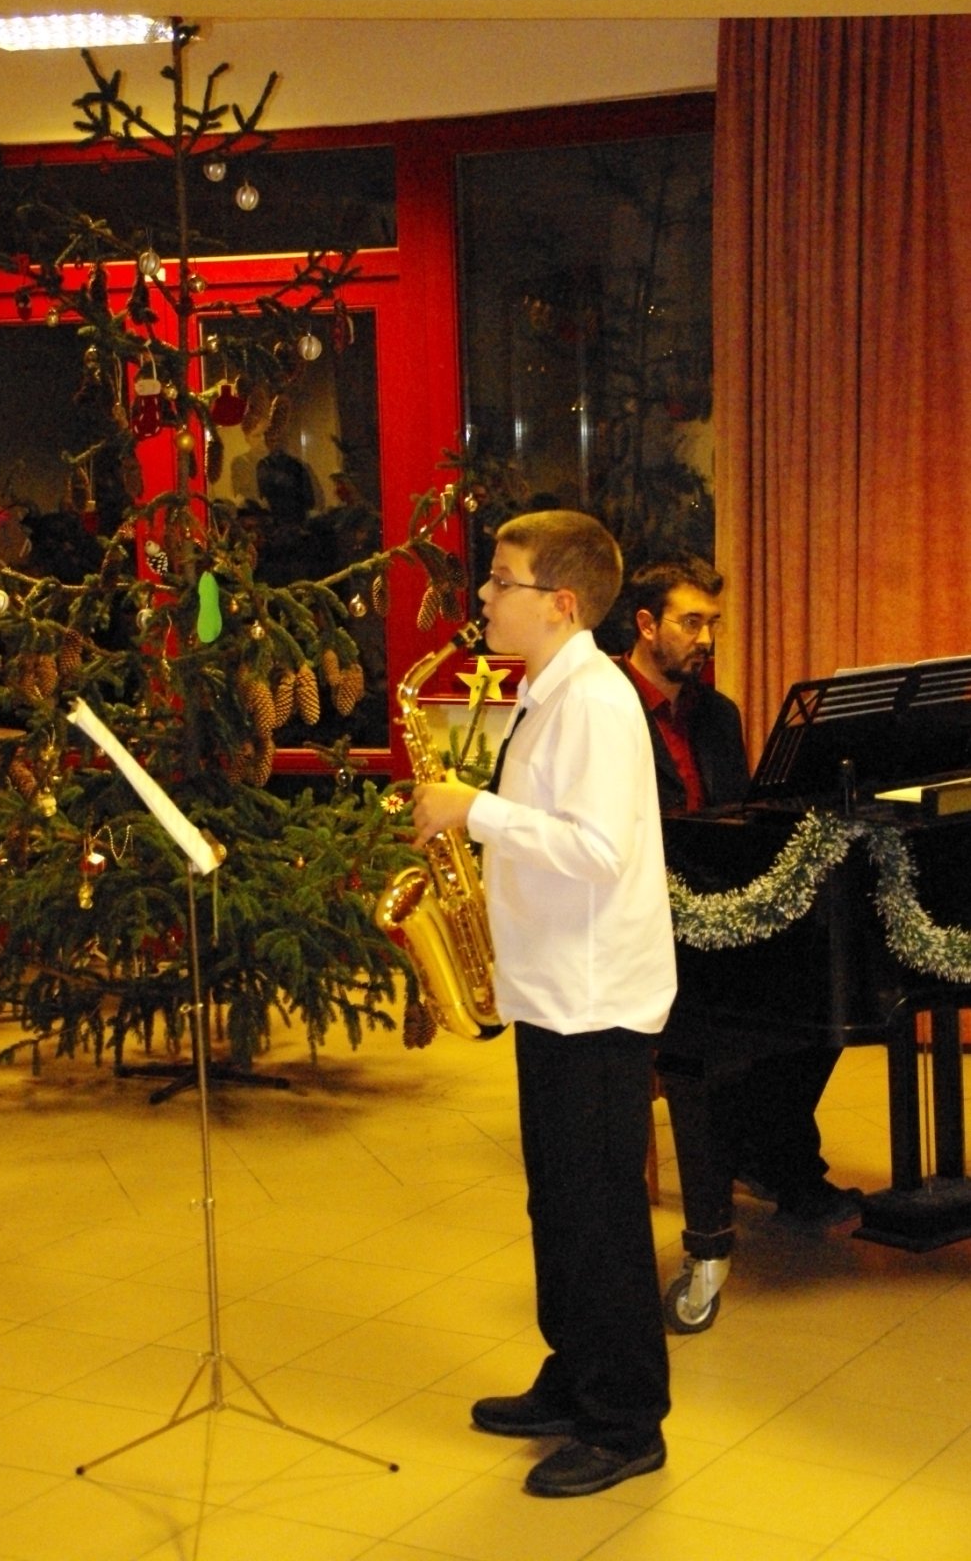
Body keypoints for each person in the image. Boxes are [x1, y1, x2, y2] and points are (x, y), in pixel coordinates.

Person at [411, 510, 676, 1499]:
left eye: (501, 579)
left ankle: (624, 1422)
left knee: (599, 1212)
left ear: (559, 603)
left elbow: (597, 850)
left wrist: (472, 810)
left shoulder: (595, 704)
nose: (483, 595)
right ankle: (573, 1375)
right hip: (554, 990)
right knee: (558, 1200)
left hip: (594, 1000)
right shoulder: (546, 689)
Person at [618, 555, 862, 1225]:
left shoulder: (717, 714)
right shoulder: (609, 708)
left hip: (719, 906)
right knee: (735, 1017)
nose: (705, 638)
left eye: (713, 623)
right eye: (690, 622)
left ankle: (768, 1155)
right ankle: (773, 1169)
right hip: (643, 921)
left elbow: (740, 818)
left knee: (825, 994)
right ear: (646, 624)